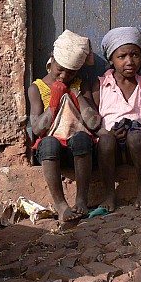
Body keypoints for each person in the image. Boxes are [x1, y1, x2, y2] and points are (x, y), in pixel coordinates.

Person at [27, 30, 100, 221]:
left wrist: (75, 95)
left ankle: (81, 200)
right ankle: (61, 205)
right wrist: (54, 103)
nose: (64, 75)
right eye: (60, 68)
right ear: (52, 59)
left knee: (83, 138)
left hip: (79, 148)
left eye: (71, 71)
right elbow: (36, 129)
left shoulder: (79, 85)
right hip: (52, 151)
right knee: (49, 143)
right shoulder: (37, 88)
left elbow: (93, 122)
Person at [93, 27, 141, 211]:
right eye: (122, 56)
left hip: (137, 148)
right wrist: (107, 133)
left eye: (135, 55)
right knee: (105, 141)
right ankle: (109, 194)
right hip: (109, 149)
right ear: (111, 60)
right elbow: (92, 121)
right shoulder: (101, 85)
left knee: (136, 137)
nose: (130, 61)